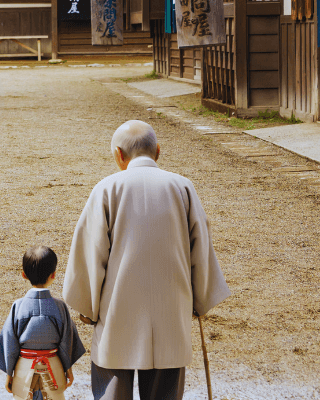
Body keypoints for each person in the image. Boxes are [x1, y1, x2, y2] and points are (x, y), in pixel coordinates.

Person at [62, 120, 232, 400]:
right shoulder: (183, 187)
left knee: (112, 390)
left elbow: (92, 253)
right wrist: (200, 300)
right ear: (158, 152)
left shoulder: (106, 189)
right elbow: (200, 247)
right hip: (170, 314)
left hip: (117, 313)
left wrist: (89, 308)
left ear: (118, 154)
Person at [0, 246, 86, 400]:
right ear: (53, 275)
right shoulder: (60, 307)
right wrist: (68, 369)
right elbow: (66, 342)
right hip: (53, 368)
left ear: (24, 275)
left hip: (24, 369)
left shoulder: (18, 306)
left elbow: (10, 344)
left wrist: (9, 374)